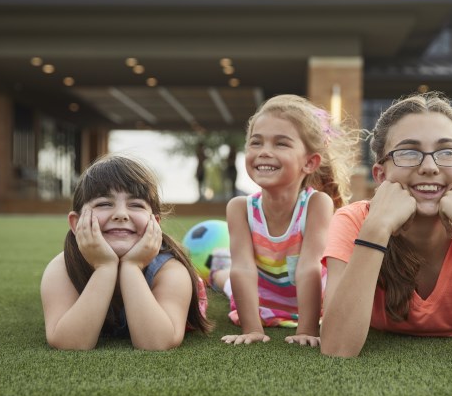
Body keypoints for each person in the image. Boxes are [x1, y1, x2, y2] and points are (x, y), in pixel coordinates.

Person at [320, 92, 452, 359]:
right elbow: (337, 348)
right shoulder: (354, 221)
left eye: (446, 152)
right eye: (408, 153)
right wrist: (377, 229)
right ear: (381, 175)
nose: (429, 167)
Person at [211, 94, 359, 347]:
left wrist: (307, 329)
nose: (264, 152)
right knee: (227, 279)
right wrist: (252, 328)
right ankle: (217, 269)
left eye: (281, 144)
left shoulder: (316, 204)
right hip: (262, 296)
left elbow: (309, 267)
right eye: (256, 143)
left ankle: (219, 265)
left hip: (310, 299)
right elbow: (244, 269)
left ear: (310, 162)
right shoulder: (239, 208)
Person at [40, 154, 211, 350]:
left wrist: (132, 266)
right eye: (104, 204)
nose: (121, 214)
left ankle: (219, 273)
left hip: (184, 283)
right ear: (76, 222)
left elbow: (157, 342)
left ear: (155, 223)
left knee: (222, 281)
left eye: (136, 205)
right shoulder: (62, 268)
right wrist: (105, 267)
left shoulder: (170, 271)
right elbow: (69, 342)